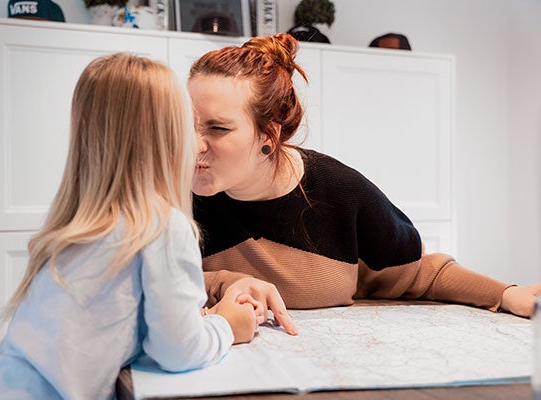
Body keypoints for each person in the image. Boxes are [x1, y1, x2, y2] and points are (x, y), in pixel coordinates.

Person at [187, 33, 541, 335]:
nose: (194, 144)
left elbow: (419, 274)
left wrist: (507, 295)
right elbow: (145, 282)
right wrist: (223, 282)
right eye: (186, 123)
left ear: (269, 135)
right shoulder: (173, 191)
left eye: (217, 129)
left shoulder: (341, 191)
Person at [0, 53, 261, 400]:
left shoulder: (80, 225)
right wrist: (229, 325)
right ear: (167, 137)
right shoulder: (163, 228)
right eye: (190, 125)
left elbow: (127, 329)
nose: (199, 142)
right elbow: (177, 351)